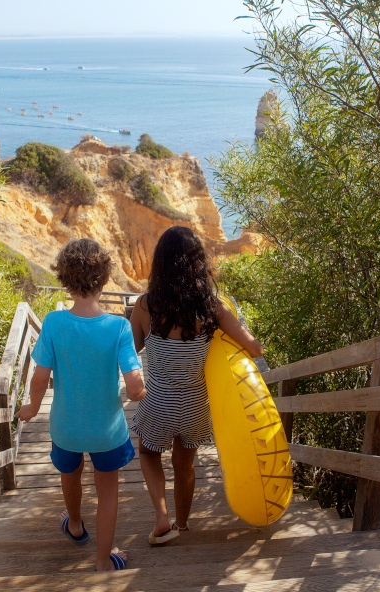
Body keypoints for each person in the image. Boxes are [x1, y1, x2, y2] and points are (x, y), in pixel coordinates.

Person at [16, 238, 147, 571]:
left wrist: (32, 407)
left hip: (66, 428)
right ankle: (103, 561)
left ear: (64, 278)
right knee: (108, 491)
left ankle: (74, 524)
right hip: (107, 432)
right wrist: (138, 391)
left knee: (69, 474)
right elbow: (134, 383)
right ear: (104, 280)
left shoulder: (55, 323)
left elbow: (39, 378)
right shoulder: (119, 326)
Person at [130, 226, 263, 545]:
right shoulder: (211, 307)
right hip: (195, 408)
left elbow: (130, 351)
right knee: (184, 465)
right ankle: (184, 524)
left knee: (148, 453)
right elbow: (255, 349)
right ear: (196, 263)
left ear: (160, 262)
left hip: (158, 403)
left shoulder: (145, 306)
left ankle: (162, 519)